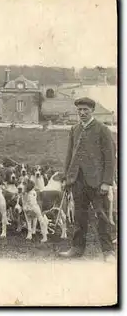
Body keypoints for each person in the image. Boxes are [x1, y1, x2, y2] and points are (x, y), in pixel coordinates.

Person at [59, 97, 116, 262]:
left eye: (86, 110)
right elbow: (69, 156)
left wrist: (106, 182)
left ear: (92, 111)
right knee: (79, 216)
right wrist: (66, 178)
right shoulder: (74, 129)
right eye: (80, 110)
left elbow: (110, 158)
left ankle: (108, 252)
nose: (82, 113)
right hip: (77, 181)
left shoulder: (102, 129)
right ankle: (77, 248)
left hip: (98, 182)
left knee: (102, 216)